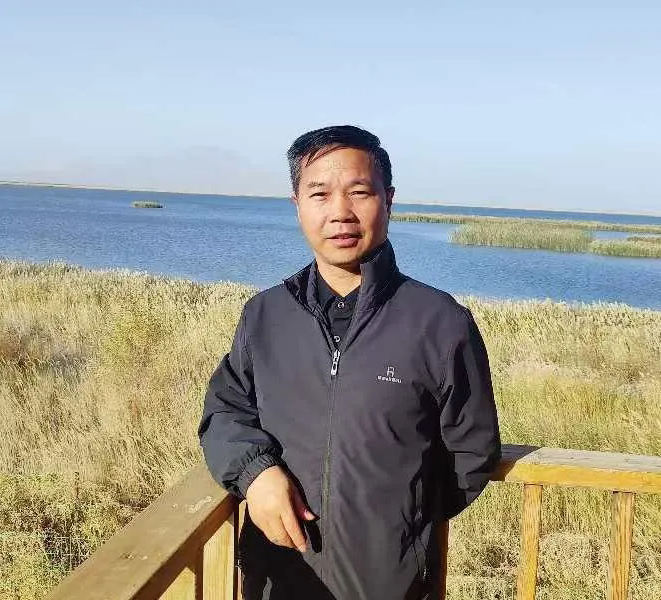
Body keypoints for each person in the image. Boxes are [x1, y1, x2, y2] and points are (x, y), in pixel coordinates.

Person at [198, 125, 501, 600]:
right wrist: (255, 473)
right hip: (279, 576)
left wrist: (401, 523)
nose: (340, 212)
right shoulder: (265, 315)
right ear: (298, 204)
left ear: (388, 199)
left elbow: (472, 451)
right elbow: (225, 411)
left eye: (359, 192)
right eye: (319, 194)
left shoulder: (440, 322)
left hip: (388, 585)